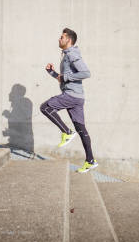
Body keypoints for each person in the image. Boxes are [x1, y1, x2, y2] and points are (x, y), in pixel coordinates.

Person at [40, 28, 97, 173]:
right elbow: (63, 78)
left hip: (72, 95)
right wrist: (52, 73)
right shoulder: (66, 55)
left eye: (62, 37)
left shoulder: (72, 54)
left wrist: (65, 77)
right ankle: (90, 160)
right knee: (81, 129)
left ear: (69, 40)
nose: (59, 39)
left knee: (45, 107)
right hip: (78, 97)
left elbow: (85, 73)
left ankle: (66, 132)